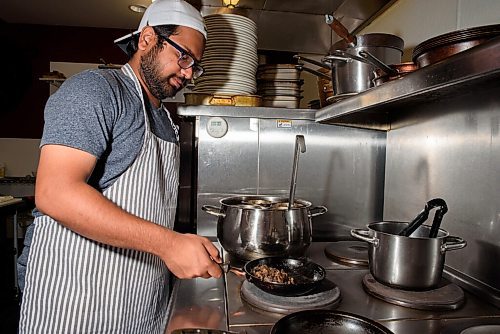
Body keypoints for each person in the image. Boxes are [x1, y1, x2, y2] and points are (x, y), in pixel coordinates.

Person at [17, 0, 223, 333]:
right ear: (147, 39)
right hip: (76, 306)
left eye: (195, 66)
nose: (188, 73)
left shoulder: (166, 122)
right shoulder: (95, 91)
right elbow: (55, 192)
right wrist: (170, 245)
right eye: (183, 56)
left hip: (141, 303)